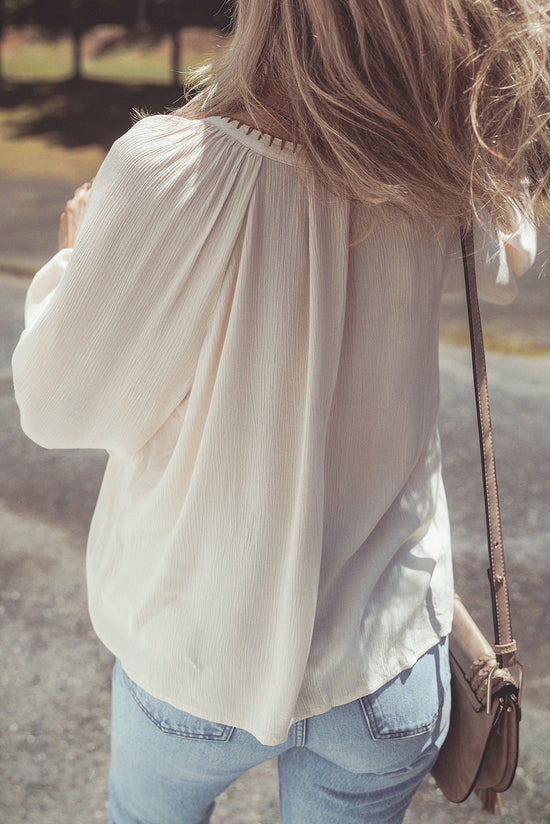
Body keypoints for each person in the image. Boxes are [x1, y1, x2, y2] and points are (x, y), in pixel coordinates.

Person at [11, 1, 549, 822]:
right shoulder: (436, 155)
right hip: (385, 665)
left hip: (191, 657)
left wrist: (76, 258)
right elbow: (513, 242)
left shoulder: (167, 169)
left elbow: (55, 407)